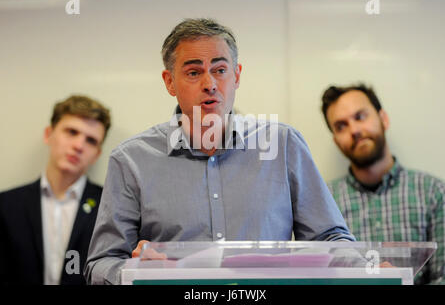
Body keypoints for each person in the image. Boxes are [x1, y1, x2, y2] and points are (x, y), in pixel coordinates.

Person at [84, 18, 354, 285]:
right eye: (193, 72)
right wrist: (136, 273)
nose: (210, 84)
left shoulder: (283, 145)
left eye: (220, 70)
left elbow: (329, 239)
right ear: (169, 82)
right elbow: (101, 263)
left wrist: (373, 268)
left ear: (236, 75)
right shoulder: (131, 160)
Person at [321, 83, 445, 285]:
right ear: (336, 140)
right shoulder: (324, 203)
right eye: (341, 126)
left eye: (360, 116)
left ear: (384, 119)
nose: (354, 130)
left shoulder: (435, 194)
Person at [0, 95, 111, 285]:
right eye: (71, 132)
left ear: (97, 155)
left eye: (91, 141)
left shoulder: (111, 207)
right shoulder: (6, 205)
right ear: (48, 134)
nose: (78, 146)